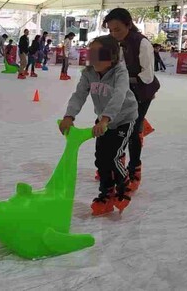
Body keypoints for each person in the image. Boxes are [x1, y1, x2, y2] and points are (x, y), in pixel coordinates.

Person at [59, 35, 138, 215]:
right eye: (90, 52)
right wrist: (69, 116)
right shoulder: (88, 73)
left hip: (124, 119)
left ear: (110, 56)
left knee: (113, 157)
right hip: (103, 120)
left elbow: (119, 96)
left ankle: (123, 185)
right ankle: (106, 193)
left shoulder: (120, 72)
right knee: (100, 158)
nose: (92, 57)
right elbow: (79, 94)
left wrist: (105, 119)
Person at [105, 8, 159, 192]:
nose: (114, 34)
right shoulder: (111, 42)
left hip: (142, 91)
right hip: (123, 91)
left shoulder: (142, 43)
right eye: (110, 30)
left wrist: (123, 79)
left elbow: (148, 75)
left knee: (133, 130)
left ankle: (135, 168)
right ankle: (115, 164)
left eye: (117, 29)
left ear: (128, 24)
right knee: (113, 125)